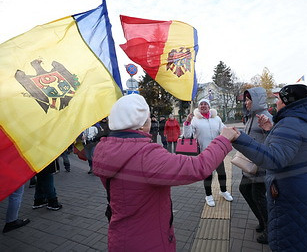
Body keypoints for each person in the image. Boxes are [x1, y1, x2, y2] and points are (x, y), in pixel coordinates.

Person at [92, 94, 235, 251]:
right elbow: (197, 167)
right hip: (149, 240)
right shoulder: (146, 155)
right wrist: (223, 140)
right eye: (147, 117)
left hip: (121, 236)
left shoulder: (105, 148)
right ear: (139, 125)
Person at [226, 84, 307, 251]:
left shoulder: (290, 123)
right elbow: (289, 150)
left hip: (293, 190)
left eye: (278, 98)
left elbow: (275, 158)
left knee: (294, 240)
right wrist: (270, 130)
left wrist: (239, 139)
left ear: (288, 101)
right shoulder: (305, 119)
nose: (275, 102)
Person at [183, 99, 233, 207]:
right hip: (204, 152)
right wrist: (187, 122)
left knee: (222, 173)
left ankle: (223, 191)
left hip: (218, 151)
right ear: (198, 107)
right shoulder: (195, 120)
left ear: (209, 107)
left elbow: (223, 130)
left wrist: (231, 132)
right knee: (208, 175)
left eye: (205, 104)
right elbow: (187, 135)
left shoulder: (217, 118)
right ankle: (208, 195)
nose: (203, 106)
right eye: (201, 104)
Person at [239, 87, 272, 244]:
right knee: (244, 189)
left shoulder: (265, 117)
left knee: (258, 196)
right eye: (245, 100)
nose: (246, 103)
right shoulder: (251, 117)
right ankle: (263, 220)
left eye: (248, 99)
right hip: (250, 164)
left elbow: (273, 138)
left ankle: (270, 229)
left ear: (257, 100)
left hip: (261, 166)